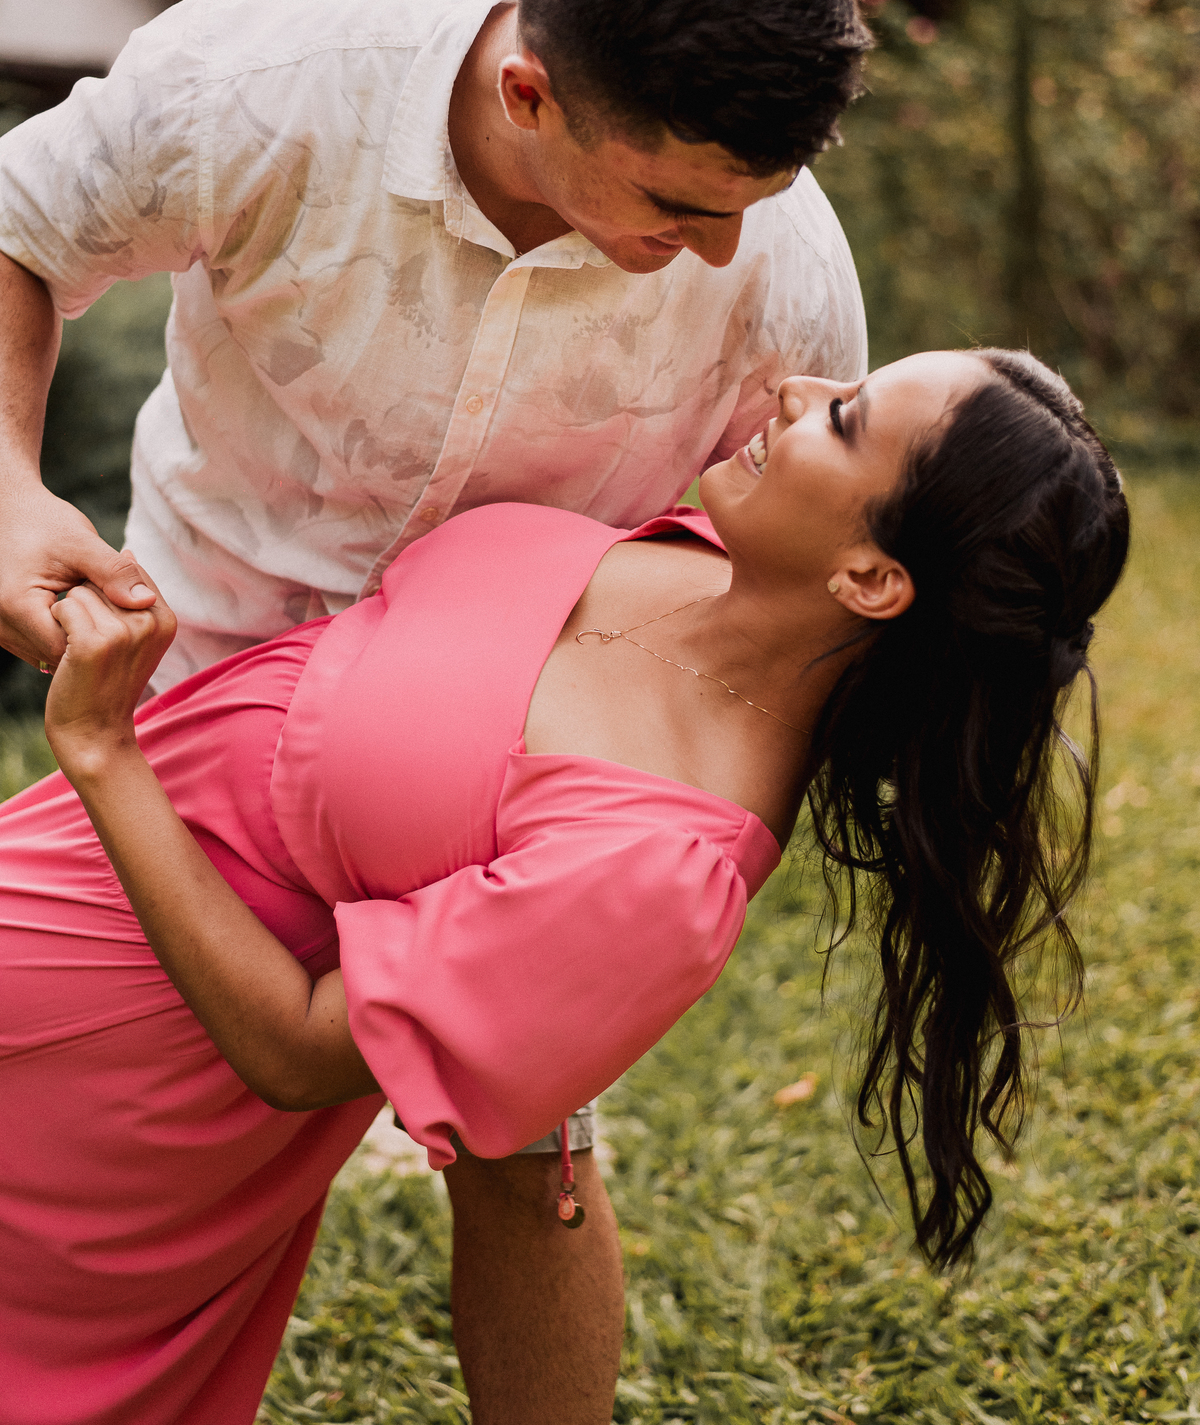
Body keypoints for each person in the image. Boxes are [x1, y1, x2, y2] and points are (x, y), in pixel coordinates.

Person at [0, 0, 869, 1410]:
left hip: (502, 758)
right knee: (104, 1112)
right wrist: (3, 487)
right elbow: (18, 229)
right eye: (677, 204)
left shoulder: (780, 264)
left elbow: (808, 562)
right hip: (202, 695)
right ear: (530, 91)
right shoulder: (273, 81)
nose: (725, 249)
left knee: (530, 1159)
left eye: (757, 200)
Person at [0, 348, 1129, 1425]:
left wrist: (105, 749)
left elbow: (298, 1052)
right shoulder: (704, 550)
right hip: (51, 866)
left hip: (109, 1077)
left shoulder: (661, 873)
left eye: (844, 419)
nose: (796, 389)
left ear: (871, 578)